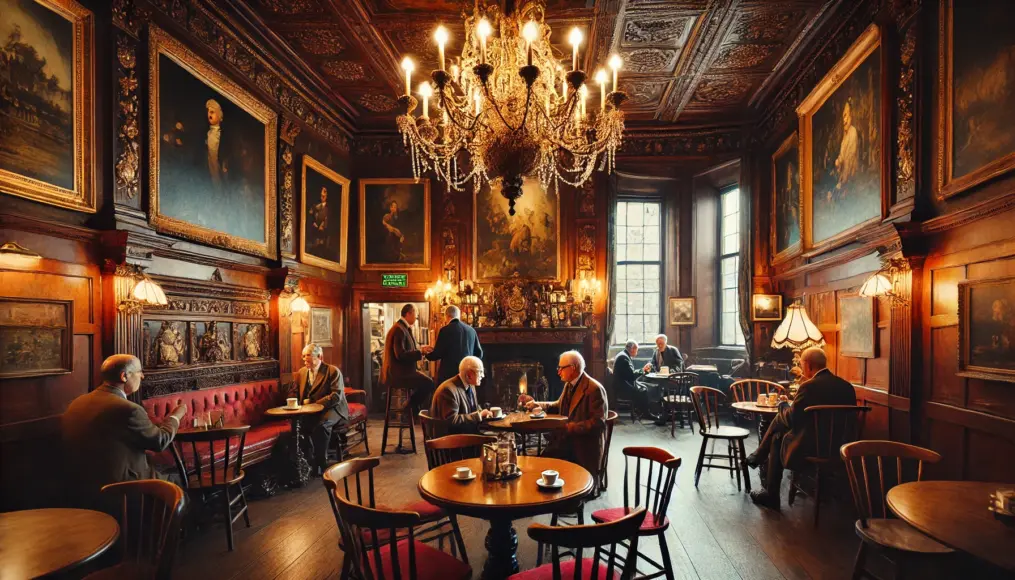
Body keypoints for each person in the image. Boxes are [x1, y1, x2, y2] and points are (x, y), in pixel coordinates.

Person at [62, 354, 187, 509]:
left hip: (79, 487)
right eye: (139, 371)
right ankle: (171, 531)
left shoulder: (77, 402)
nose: (142, 375)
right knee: (179, 483)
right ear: (124, 376)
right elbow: (159, 441)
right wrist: (176, 415)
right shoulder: (128, 409)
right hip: (121, 488)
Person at [747, 347, 857, 509]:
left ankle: (770, 491)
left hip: (812, 448)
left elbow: (792, 420)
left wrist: (783, 404)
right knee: (781, 423)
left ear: (808, 365)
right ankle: (758, 457)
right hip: (841, 448)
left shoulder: (808, 387)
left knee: (778, 434)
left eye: (801, 364)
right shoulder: (847, 387)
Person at [521, 350, 608, 478]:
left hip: (582, 447)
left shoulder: (594, 389)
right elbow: (558, 405)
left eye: (561, 368)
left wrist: (568, 428)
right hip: (566, 441)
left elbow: (598, 423)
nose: (558, 371)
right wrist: (537, 404)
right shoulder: (569, 384)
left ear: (573, 368)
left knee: (543, 464)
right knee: (540, 464)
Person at [288, 343, 349, 474]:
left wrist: (313, 403)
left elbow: (336, 396)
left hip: (333, 408)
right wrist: (293, 402)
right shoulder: (301, 373)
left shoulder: (332, 371)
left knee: (322, 426)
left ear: (320, 356)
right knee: (298, 426)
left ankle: (322, 463)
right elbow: (294, 392)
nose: (305, 359)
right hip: (309, 410)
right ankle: (308, 461)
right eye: (303, 356)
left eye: (308, 355)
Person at [382, 304, 435, 421]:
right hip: (399, 375)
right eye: (415, 314)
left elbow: (407, 350)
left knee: (427, 382)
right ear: (408, 313)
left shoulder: (402, 328)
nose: (417, 317)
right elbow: (400, 355)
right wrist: (420, 351)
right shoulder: (399, 330)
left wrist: (421, 348)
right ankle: (409, 407)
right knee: (429, 383)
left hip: (402, 372)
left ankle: (411, 409)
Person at [430, 356, 492, 435]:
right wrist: (479, 415)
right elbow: (452, 421)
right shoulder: (448, 390)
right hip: (450, 441)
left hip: (465, 433)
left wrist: (483, 413)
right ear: (469, 375)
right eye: (480, 372)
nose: (482, 375)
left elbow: (473, 408)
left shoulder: (470, 385)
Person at [425, 305, 484, 386]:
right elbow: (479, 353)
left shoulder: (445, 330)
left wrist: (426, 354)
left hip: (448, 375)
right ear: (458, 315)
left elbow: (437, 354)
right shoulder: (471, 330)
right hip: (466, 375)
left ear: (446, 316)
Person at [613, 340, 651, 416]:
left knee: (643, 386)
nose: (637, 352)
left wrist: (642, 370)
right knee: (644, 390)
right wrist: (644, 371)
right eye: (636, 350)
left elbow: (629, 373)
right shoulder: (624, 358)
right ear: (632, 349)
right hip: (622, 388)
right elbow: (631, 376)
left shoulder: (623, 355)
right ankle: (645, 413)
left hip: (622, 384)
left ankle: (640, 411)